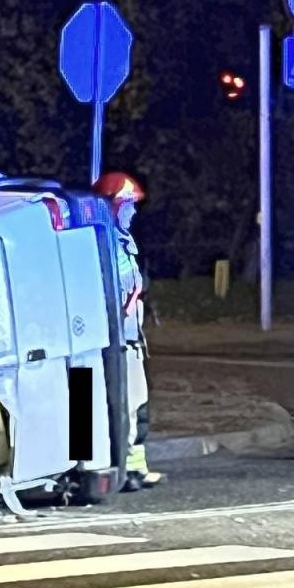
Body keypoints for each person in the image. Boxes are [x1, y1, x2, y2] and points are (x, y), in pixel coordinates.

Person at [95, 170, 162, 491]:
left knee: (137, 405)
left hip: (129, 341)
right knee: (119, 407)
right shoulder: (101, 245)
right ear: (113, 207)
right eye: (128, 206)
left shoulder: (122, 243)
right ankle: (115, 468)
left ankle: (134, 468)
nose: (133, 213)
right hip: (110, 343)